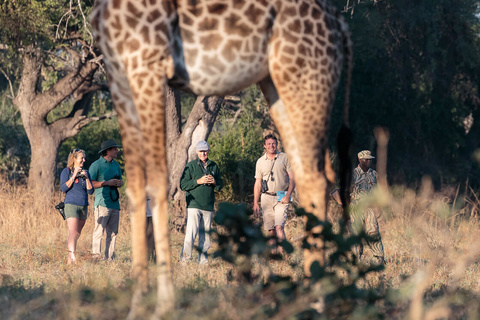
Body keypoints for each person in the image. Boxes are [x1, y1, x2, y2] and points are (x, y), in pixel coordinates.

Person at [332, 150, 385, 264]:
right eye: (366, 159)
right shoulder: (352, 174)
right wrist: (342, 205)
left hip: (369, 207)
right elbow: (338, 191)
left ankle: (380, 258)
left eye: (370, 159)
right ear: (360, 160)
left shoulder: (374, 174)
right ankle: (356, 258)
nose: (369, 161)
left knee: (373, 231)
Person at [180, 140, 223, 265]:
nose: (203, 153)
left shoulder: (213, 166)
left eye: (205, 150)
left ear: (208, 151)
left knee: (205, 237)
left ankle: (203, 263)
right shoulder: (191, 166)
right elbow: (183, 185)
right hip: (194, 205)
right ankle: (185, 260)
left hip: (208, 206)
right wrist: (198, 181)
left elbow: (220, 185)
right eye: (201, 151)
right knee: (191, 234)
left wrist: (214, 182)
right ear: (197, 152)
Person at [253, 134, 295, 254]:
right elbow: (258, 182)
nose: (272, 146)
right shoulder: (260, 161)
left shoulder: (284, 158)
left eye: (273, 143)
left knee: (279, 227)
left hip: (282, 196)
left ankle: (283, 255)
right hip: (266, 197)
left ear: (277, 144)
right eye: (269, 144)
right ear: (264, 146)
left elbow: (293, 178)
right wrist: (255, 203)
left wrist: (288, 195)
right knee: (271, 230)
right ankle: (274, 255)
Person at [89, 139, 124, 260]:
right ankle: (96, 258)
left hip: (115, 203)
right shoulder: (96, 165)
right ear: (107, 151)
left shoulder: (116, 165)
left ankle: (110, 259)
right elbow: (91, 184)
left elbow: (121, 181)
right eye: (114, 149)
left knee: (113, 233)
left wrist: (119, 183)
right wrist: (107, 183)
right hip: (102, 203)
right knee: (99, 232)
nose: (117, 151)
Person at [60, 148, 94, 264]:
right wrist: (74, 175)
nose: (84, 160)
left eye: (84, 158)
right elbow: (64, 188)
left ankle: (69, 259)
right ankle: (73, 258)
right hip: (71, 205)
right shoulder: (66, 171)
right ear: (74, 159)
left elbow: (90, 191)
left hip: (83, 206)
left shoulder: (86, 172)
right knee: (73, 232)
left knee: (77, 233)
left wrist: (87, 178)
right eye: (81, 158)